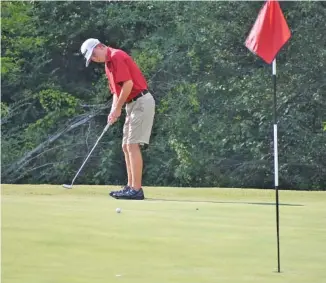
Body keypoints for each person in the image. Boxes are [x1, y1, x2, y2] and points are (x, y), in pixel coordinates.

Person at [80, 38, 155, 200]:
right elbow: (116, 91)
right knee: (126, 146)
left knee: (132, 145)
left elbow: (128, 84)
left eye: (94, 55)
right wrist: (114, 110)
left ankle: (136, 190)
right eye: (91, 58)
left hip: (141, 101)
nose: (94, 59)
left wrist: (119, 107)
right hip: (132, 104)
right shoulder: (108, 64)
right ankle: (130, 186)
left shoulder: (117, 56)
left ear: (100, 46)